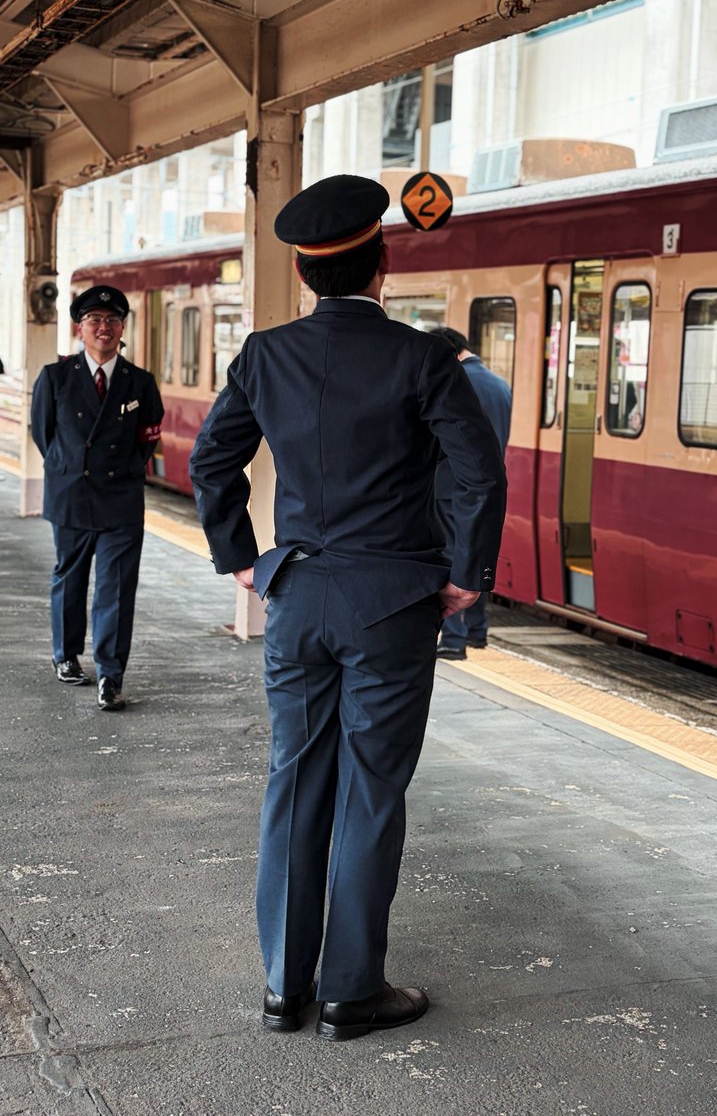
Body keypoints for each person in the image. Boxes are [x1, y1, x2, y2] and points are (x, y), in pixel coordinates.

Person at [189, 175, 506, 1041]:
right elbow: (479, 473)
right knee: (370, 790)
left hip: (296, 602)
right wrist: (467, 575)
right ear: (383, 261)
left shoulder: (263, 355)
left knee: (295, 780)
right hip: (392, 605)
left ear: (303, 272)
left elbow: (211, 464)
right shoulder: (424, 360)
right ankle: (350, 992)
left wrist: (243, 562)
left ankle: (283, 987)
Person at [31, 285, 164, 711]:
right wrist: (67, 467)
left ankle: (111, 675)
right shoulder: (56, 376)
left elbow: (148, 437)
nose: (103, 327)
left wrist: (125, 472)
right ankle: (66, 656)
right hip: (71, 495)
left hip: (121, 500)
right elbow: (43, 432)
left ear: (122, 327)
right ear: (80, 328)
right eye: (94, 320)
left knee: (117, 588)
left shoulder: (139, 382)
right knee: (69, 580)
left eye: (111, 320)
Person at [431, 326, 511, 661]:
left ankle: (453, 638)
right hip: (488, 486)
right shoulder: (500, 384)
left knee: (451, 556)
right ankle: (478, 631)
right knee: (479, 553)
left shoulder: (455, 382)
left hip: (452, 484)